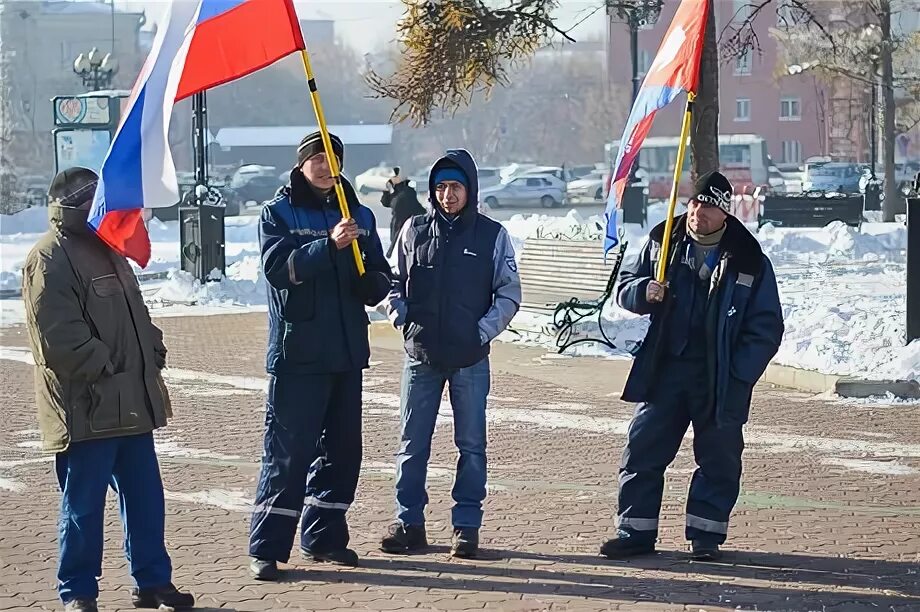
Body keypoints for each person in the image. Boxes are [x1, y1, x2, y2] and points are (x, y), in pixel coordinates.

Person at [21, 167, 194, 612]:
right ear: (78, 203)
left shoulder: (109, 247)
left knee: (146, 500)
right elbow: (59, 339)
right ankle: (77, 590)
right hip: (88, 408)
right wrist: (110, 368)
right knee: (83, 508)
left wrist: (152, 350)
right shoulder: (50, 257)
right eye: (97, 199)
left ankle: (152, 581)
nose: (108, 205)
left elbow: (135, 316)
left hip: (131, 403)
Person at [599, 171, 784, 562]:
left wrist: (739, 374)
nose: (700, 211)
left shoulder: (749, 258)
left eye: (711, 205)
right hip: (666, 368)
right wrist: (643, 291)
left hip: (719, 375)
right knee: (642, 450)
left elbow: (766, 327)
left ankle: (705, 535)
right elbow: (625, 287)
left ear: (725, 213)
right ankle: (635, 531)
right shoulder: (663, 241)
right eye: (696, 202)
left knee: (719, 458)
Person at [248, 131, 392, 580]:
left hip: (346, 353)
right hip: (299, 355)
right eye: (318, 159)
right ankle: (267, 547)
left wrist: (373, 279)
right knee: (288, 453)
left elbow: (377, 277)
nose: (327, 167)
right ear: (303, 163)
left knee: (343, 451)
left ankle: (324, 537)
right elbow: (279, 270)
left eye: (334, 159)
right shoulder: (278, 212)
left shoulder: (359, 213)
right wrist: (327, 245)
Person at [380, 149, 521, 559]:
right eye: (440, 187)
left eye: (455, 187)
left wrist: (482, 332)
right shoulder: (414, 230)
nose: (447, 195)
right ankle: (409, 523)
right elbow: (392, 280)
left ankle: (467, 525)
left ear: (470, 190)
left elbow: (509, 293)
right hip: (420, 356)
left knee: (471, 445)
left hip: (470, 359)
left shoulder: (491, 236)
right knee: (412, 444)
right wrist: (401, 317)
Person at [381, 173, 425, 259]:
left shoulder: (405, 194)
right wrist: (387, 190)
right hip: (399, 225)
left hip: (403, 226)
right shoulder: (399, 193)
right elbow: (386, 202)